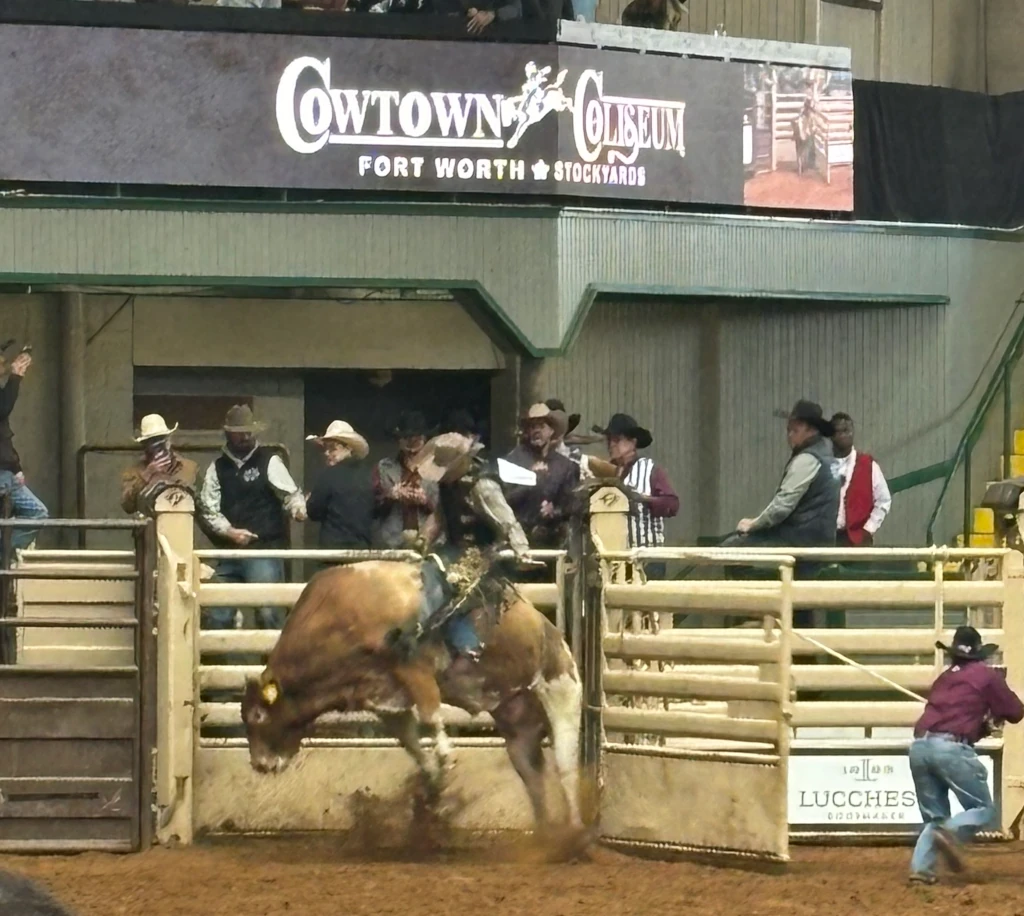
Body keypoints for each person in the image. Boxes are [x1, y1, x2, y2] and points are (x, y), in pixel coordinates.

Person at [387, 432, 532, 667]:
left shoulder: (483, 486)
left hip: (484, 553)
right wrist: (423, 540)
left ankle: (465, 646)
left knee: (454, 590)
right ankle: (418, 630)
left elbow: (507, 521)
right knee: (428, 572)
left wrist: (522, 550)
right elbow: (440, 518)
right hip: (454, 550)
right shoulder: (450, 485)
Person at [908, 626, 1023, 885]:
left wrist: (980, 726)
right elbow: (1015, 711)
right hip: (950, 746)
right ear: (980, 653)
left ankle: (922, 870)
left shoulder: (945, 678)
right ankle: (950, 833)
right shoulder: (986, 675)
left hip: (920, 746)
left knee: (935, 815)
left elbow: (955, 715)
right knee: (983, 809)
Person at [198, 405, 306, 631]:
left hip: (263, 548)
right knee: (218, 614)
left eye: (249, 431)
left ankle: (271, 663)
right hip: (229, 551)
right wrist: (229, 532)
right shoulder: (217, 468)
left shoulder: (269, 461)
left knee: (268, 612)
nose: (246, 436)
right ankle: (219, 663)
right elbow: (209, 509)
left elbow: (290, 494)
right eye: (241, 431)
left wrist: (298, 509)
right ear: (229, 434)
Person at [592, 412, 679, 579]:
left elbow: (672, 504)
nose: (611, 445)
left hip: (646, 559)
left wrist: (642, 499)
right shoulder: (606, 471)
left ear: (632, 442)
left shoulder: (651, 470)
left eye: (617, 440)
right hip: (613, 559)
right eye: (610, 440)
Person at [504, 403, 579, 551]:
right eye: (532, 427)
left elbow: (572, 505)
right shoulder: (514, 461)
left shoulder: (565, 466)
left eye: (541, 426)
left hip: (552, 540)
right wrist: (531, 481)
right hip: (518, 538)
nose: (536, 431)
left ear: (552, 430)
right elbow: (504, 499)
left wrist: (554, 511)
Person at [0, 348, 47, 550]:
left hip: (7, 473)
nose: (2, 368)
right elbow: (2, 407)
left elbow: (5, 440)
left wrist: (16, 468)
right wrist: (15, 377)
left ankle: (5, 554)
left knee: (37, 513)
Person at [305, 420, 374, 555]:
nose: (326, 453)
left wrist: (309, 500)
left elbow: (313, 511)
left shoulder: (329, 475)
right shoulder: (368, 475)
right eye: (325, 448)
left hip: (333, 552)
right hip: (362, 552)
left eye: (332, 448)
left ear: (348, 448)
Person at [372, 411, 437, 550]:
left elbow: (444, 511)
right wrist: (391, 495)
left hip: (428, 543)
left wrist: (426, 501)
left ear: (425, 439)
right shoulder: (384, 467)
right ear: (399, 440)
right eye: (407, 438)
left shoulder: (438, 468)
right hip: (392, 543)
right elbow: (372, 506)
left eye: (417, 438)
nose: (412, 444)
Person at [831, 412, 892, 547]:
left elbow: (884, 500)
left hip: (857, 540)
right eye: (837, 431)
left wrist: (868, 530)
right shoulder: (822, 465)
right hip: (826, 539)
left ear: (852, 432)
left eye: (846, 430)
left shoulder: (868, 465)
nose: (842, 435)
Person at [120, 414, 198, 516]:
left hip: (182, 527)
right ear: (145, 446)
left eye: (161, 440)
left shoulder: (189, 467)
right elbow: (127, 506)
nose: (158, 447)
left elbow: (203, 505)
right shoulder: (134, 472)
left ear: (169, 440)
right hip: (149, 529)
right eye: (152, 442)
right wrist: (147, 474)